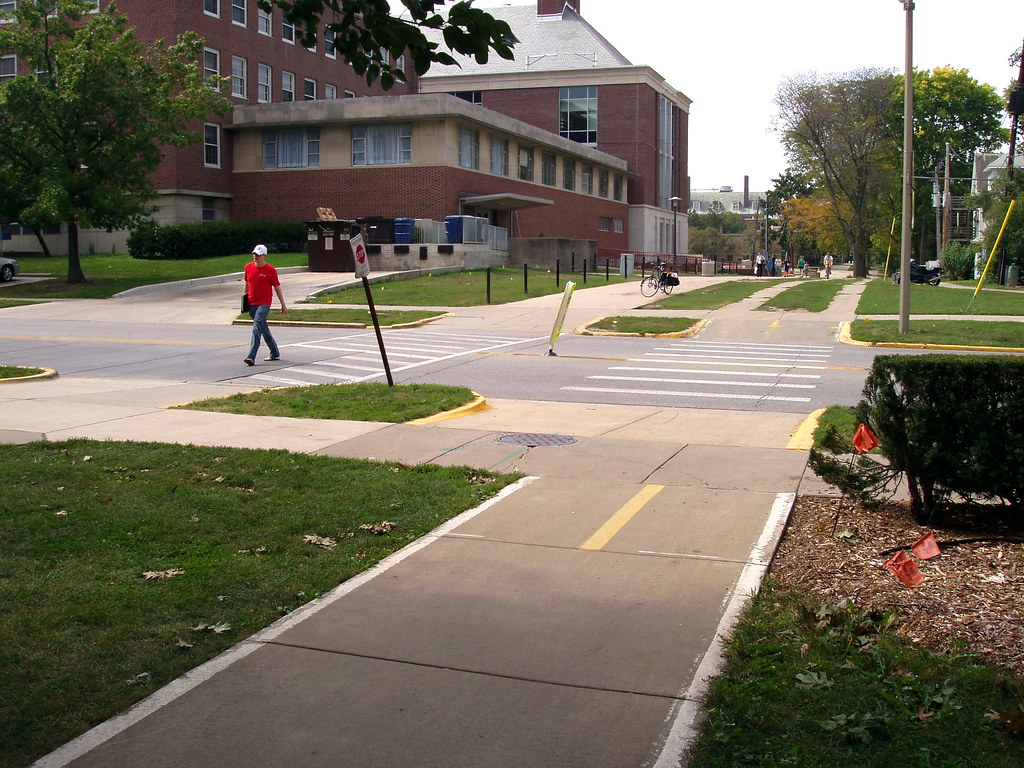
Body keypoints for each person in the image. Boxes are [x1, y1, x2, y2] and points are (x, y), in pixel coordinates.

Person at [243, 244, 288, 366]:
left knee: (256, 327)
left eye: (258, 255)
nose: (255, 257)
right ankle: (274, 352)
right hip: (252, 302)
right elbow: (247, 284)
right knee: (263, 328)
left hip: (264, 302)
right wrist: (244, 300)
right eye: (254, 254)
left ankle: (251, 356)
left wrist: (283, 305)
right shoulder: (248, 267)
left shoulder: (270, 270)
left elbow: (277, 287)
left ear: (264, 256)